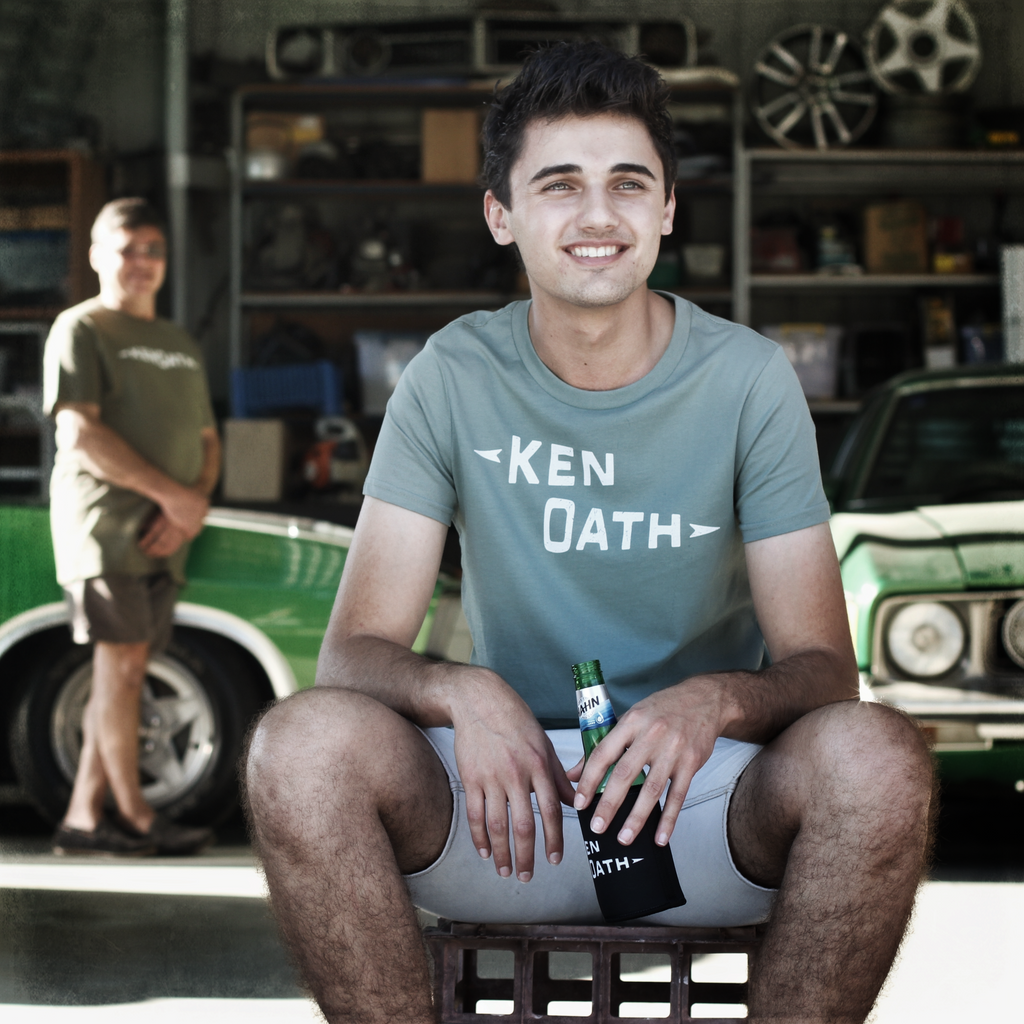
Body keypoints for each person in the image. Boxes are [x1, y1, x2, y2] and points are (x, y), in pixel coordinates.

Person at [245, 43, 934, 1024]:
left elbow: (824, 671)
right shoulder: (451, 374)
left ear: (665, 210)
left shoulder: (746, 378)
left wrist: (710, 703)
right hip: (501, 806)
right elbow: (352, 656)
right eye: (559, 185)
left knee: (876, 757)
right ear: (501, 215)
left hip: (703, 808)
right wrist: (459, 690)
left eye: (627, 183)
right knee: (298, 745)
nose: (598, 216)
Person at [43, 198, 220, 856]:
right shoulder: (81, 328)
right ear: (95, 254)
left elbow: (207, 438)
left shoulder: (180, 343)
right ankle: (136, 817)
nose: (141, 262)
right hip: (107, 528)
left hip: (168, 531)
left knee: (128, 668)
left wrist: (190, 505)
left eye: (153, 250)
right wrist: (175, 500)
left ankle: (84, 819)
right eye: (126, 248)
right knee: (119, 669)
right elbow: (80, 433)